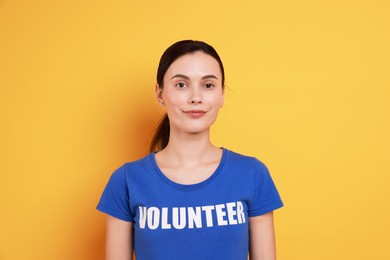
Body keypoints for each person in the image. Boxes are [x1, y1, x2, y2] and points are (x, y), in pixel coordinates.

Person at [97, 40, 284, 260]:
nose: (196, 98)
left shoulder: (252, 174)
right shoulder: (127, 181)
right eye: (181, 85)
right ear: (159, 94)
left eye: (208, 85)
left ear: (221, 94)